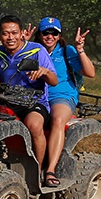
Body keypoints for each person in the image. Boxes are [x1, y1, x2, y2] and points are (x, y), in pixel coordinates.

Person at [0, 14, 59, 186]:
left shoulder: (37, 50)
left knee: (34, 125)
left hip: (34, 103)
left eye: (14, 33)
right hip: (6, 101)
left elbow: (54, 80)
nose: (11, 37)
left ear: (22, 33)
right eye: (6, 33)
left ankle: (39, 170)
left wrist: (44, 72)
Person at [36, 17, 96, 186]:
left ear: (59, 34)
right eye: (46, 32)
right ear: (39, 34)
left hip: (61, 95)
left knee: (58, 119)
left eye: (54, 32)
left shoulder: (67, 51)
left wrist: (80, 49)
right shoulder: (33, 49)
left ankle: (50, 170)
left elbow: (90, 73)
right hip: (36, 95)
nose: (50, 36)